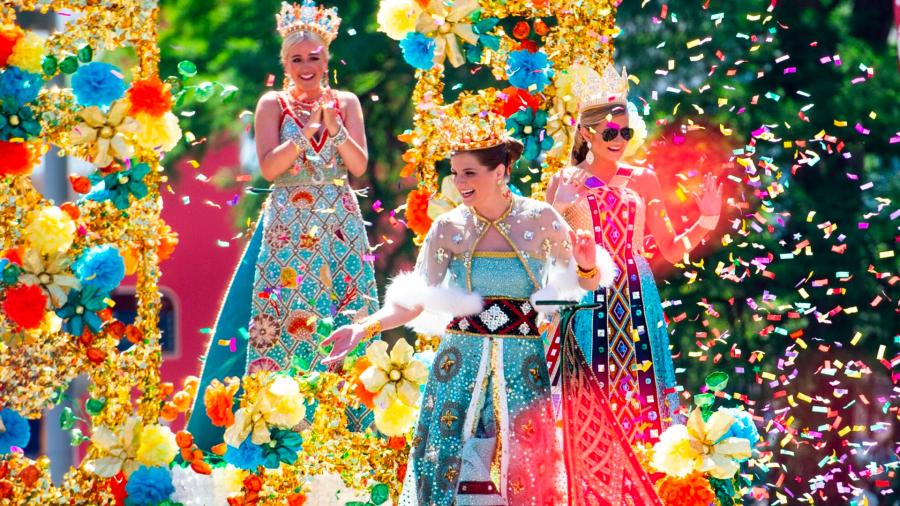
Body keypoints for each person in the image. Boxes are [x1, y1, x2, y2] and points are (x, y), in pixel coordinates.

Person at [322, 104, 637, 504]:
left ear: (501, 171)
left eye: (469, 173)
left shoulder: (540, 219)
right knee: (445, 470)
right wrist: (363, 328)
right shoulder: (449, 227)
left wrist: (588, 267)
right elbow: (415, 301)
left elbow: (570, 291)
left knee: (525, 470)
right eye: (455, 174)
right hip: (458, 363)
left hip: (522, 364)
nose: (459, 183)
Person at [187, 0, 379, 450]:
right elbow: (270, 168)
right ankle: (276, 427)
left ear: (327, 60)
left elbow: (359, 165)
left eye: (314, 57)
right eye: (297, 59)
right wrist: (307, 127)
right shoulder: (272, 103)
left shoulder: (346, 103)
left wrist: (336, 130)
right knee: (283, 316)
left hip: (337, 220)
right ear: (285, 64)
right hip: (289, 223)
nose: (306, 66)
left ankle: (351, 430)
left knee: (345, 307)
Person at [545, 65, 724, 444]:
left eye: (625, 132)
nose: (619, 139)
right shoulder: (562, 181)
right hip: (586, 293)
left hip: (636, 294)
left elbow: (672, 248)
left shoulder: (643, 178)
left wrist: (707, 219)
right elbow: (546, 253)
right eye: (609, 132)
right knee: (589, 383)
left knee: (644, 387)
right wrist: (559, 208)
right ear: (585, 132)